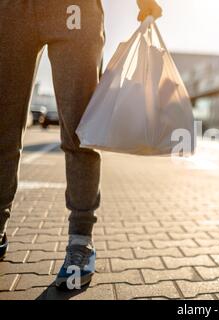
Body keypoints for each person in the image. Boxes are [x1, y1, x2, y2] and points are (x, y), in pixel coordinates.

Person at [0, 0, 162, 289]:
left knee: (79, 132)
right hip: (12, 11)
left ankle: (80, 241)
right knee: (2, 130)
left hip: (75, 9)